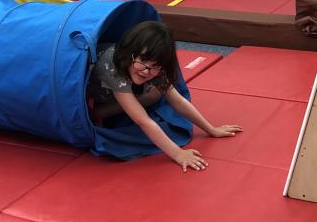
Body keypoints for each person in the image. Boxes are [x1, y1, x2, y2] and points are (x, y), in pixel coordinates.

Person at [88, 21, 243, 172]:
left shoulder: (155, 69)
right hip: (92, 92)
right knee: (98, 113)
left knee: (156, 94)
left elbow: (178, 100)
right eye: (143, 61)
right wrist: (178, 153)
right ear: (130, 54)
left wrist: (211, 129)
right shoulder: (113, 66)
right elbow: (143, 121)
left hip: (116, 92)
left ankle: (129, 103)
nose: (146, 71)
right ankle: (103, 110)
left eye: (155, 66)